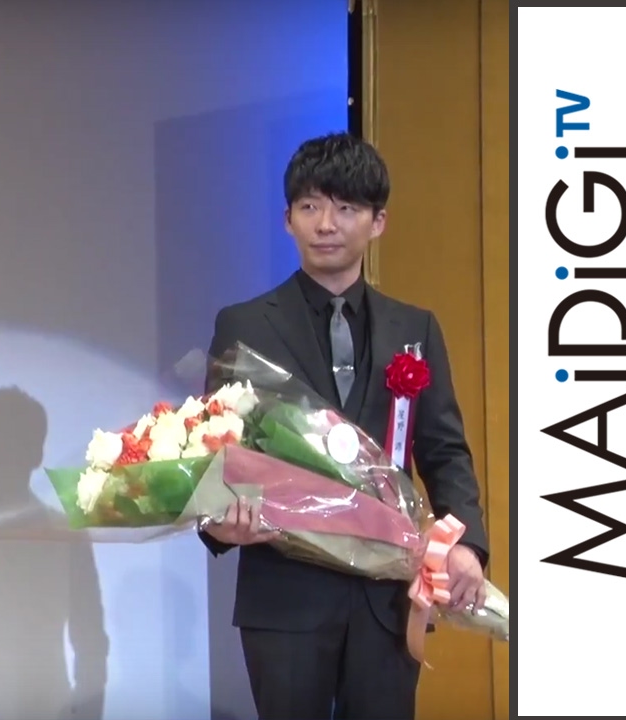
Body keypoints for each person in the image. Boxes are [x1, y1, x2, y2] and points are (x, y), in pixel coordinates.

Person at [198, 132, 489, 720]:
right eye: (309, 206)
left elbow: (444, 451)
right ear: (287, 219)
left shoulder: (415, 328)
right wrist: (218, 520)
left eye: (346, 207)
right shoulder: (244, 324)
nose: (326, 224)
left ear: (378, 222)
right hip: (285, 594)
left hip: (388, 597)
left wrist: (467, 546)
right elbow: (218, 444)